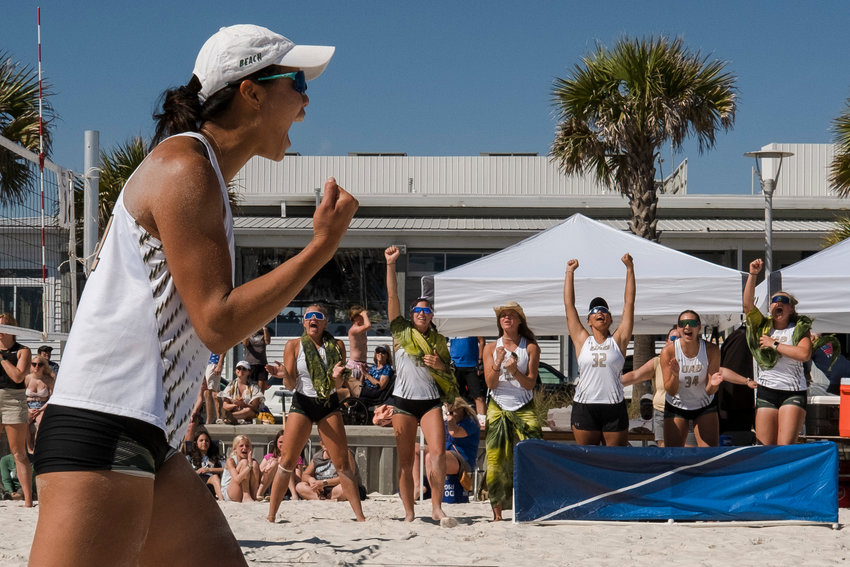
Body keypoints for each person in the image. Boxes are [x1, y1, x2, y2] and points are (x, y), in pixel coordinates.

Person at [29, 24, 355, 566]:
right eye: (297, 82)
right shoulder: (185, 168)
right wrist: (321, 247)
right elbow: (218, 323)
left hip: (145, 435)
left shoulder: (200, 171)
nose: (305, 101)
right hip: (102, 427)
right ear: (251, 91)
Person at [264, 303, 366, 522]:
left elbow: (338, 382)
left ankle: (360, 517)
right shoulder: (293, 345)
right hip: (303, 402)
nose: (313, 319)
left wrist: (339, 375)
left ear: (324, 322)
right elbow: (291, 384)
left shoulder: (337, 344)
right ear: (304, 322)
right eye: (309, 316)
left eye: (318, 316)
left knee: (342, 464)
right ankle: (271, 515)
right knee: (287, 461)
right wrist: (282, 374)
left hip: (327, 402)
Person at [384, 245, 459, 527]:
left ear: (431, 317)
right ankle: (409, 511)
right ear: (412, 314)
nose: (422, 315)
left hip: (429, 402)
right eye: (417, 310)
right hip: (402, 401)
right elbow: (392, 296)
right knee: (405, 461)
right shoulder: (401, 331)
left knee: (438, 453)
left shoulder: (439, 342)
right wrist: (391, 265)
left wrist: (440, 366)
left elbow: (450, 377)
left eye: (426, 312)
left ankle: (437, 508)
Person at [719, 259, 812, 446]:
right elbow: (747, 306)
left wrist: (774, 344)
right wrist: (753, 274)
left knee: (785, 446)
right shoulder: (763, 327)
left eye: (783, 301)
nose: (778, 303)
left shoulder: (798, 329)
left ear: (791, 309)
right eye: (774, 301)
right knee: (764, 446)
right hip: (766, 391)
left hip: (792, 391)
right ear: (769, 308)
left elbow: (804, 354)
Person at [563, 255, 635, 446]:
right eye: (595, 311)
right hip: (585, 406)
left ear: (610, 319)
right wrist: (569, 272)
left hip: (613, 406)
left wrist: (629, 268)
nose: (600, 313)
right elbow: (569, 306)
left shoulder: (618, 341)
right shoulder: (582, 340)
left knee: (615, 459)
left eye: (604, 311)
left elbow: (629, 304)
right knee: (588, 459)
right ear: (588, 321)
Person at [482, 301, 542, 521]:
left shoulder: (530, 347)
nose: (506, 318)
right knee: (496, 459)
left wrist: (515, 371)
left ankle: (535, 503)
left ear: (519, 321)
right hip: (498, 405)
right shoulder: (490, 347)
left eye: (511, 315)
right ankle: (497, 512)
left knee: (535, 452)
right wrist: (497, 364)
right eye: (503, 315)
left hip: (523, 404)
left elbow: (529, 384)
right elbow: (490, 384)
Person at [659, 311, 722, 447]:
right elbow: (670, 390)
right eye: (683, 324)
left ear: (699, 327)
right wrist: (675, 375)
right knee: (673, 454)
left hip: (704, 404)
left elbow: (710, 391)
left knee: (709, 455)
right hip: (677, 404)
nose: (687, 327)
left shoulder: (712, 350)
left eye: (692, 323)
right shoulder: (668, 352)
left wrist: (714, 384)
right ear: (678, 328)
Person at [412, 397, 480, 499]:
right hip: (445, 454)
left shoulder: (470, 422)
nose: (449, 414)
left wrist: (449, 417)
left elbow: (454, 433)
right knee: (415, 448)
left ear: (461, 410)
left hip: (463, 459)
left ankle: (436, 496)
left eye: (452, 412)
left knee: (431, 457)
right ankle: (417, 486)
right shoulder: (446, 421)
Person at [622, 325, 679, 447]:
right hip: (662, 412)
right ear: (667, 341)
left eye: (680, 338)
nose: (676, 341)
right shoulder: (657, 362)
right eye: (673, 337)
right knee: (664, 452)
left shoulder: (693, 360)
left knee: (686, 450)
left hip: (686, 411)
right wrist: (611, 383)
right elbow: (635, 375)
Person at [0, 312, 34, 507]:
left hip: (13, 399)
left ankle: (28, 500)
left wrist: (2, 358)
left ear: (12, 329)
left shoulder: (23, 351)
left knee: (18, 453)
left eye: (3, 327)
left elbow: (18, 377)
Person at [295, 440, 366, 502]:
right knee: (300, 486)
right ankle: (323, 499)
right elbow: (305, 475)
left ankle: (329, 498)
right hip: (322, 490)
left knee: (346, 487)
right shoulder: (317, 456)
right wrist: (311, 480)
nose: (325, 443)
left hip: (339, 487)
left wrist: (324, 483)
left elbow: (348, 477)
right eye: (323, 441)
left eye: (328, 441)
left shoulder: (345, 453)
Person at [449, 336, 486, 427]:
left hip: (472, 366)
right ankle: (454, 422)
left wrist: (480, 360)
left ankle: (482, 423)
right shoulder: (450, 324)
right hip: (455, 366)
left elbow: (481, 340)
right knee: (454, 397)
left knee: (478, 396)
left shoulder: (471, 324)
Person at [257, 429, 302, 501]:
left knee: (286, 464)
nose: (283, 444)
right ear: (276, 443)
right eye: (280, 442)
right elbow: (258, 474)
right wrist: (267, 467)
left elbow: (299, 479)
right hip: (269, 485)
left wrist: (290, 468)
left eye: (286, 442)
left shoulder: (296, 458)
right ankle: (260, 494)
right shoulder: (269, 457)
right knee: (274, 463)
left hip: (288, 487)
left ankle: (294, 495)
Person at [185, 428, 224, 501]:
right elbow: (184, 472)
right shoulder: (189, 458)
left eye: (207, 440)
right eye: (201, 440)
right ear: (196, 443)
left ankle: (222, 501)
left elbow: (227, 469)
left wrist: (208, 470)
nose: (204, 442)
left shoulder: (215, 457)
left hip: (210, 483)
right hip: (195, 482)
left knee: (215, 477)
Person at [25, 354, 55, 451]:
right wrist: (28, 409)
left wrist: (40, 410)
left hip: (43, 406)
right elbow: (21, 396)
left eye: (40, 364)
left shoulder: (49, 380)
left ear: (44, 366)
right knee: (24, 423)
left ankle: (37, 448)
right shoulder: (27, 378)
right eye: (34, 364)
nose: (36, 367)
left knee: (41, 423)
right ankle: (29, 448)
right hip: (28, 406)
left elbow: (52, 398)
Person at [220, 434, 261, 503]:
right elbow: (237, 479)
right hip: (230, 493)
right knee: (244, 462)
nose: (244, 448)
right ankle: (246, 495)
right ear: (235, 449)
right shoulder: (231, 461)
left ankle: (253, 496)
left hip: (242, 491)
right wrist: (249, 467)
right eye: (241, 446)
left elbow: (258, 480)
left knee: (254, 464)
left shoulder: (251, 462)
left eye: (247, 446)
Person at [343, 305, 371, 399]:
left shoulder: (361, 330)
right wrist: (364, 314)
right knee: (354, 393)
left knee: (362, 393)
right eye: (361, 316)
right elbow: (368, 325)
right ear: (355, 318)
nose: (364, 317)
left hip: (363, 365)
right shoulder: (353, 330)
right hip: (355, 366)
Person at [242, 326, 271, 391]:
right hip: (249, 365)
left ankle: (260, 400)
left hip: (262, 363)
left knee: (261, 389)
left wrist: (264, 328)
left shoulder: (263, 334)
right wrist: (249, 330)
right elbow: (245, 343)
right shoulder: (248, 335)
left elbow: (267, 342)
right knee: (249, 388)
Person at [203, 352, 224, 423]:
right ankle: (218, 417)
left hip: (214, 362)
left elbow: (224, 347)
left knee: (211, 391)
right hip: (206, 362)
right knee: (208, 391)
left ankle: (211, 418)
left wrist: (220, 363)